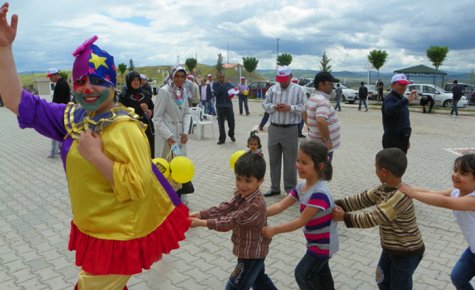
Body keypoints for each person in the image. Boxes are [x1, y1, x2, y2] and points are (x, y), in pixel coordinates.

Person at [0, 5, 190, 289]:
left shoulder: (126, 128)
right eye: (81, 81)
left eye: (97, 81)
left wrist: (95, 155)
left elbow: (137, 186)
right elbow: (16, 100)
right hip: (93, 229)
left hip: (118, 236)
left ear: (113, 85)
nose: (87, 88)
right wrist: (4, 50)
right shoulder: (73, 117)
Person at [333, 148, 425, 290]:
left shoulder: (399, 197)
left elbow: (373, 218)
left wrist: (344, 217)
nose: (374, 170)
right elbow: (362, 199)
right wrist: (336, 203)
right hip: (390, 248)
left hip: (406, 252)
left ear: (384, 172)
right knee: (382, 280)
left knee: (399, 286)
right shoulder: (384, 188)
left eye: (375, 167)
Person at [189, 152, 277, 290]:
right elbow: (225, 208)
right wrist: (201, 214)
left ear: (260, 181)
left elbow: (231, 221)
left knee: (234, 286)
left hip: (252, 255)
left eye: (248, 181)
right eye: (238, 179)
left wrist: (203, 223)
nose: (241, 185)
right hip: (247, 251)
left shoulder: (256, 204)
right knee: (260, 281)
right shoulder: (241, 194)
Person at [262, 140, 338, 290]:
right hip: (315, 243)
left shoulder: (319, 193)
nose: (298, 165)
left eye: (304, 162)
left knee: (302, 274)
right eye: (297, 160)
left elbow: (300, 221)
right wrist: (259, 213)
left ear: (320, 166)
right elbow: (280, 205)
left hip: (323, 245)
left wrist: (274, 230)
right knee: (322, 274)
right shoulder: (302, 186)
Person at [399, 154, 475, 290]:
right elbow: (432, 193)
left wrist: (413, 194)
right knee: (458, 277)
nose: (456, 175)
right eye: (455, 170)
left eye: (463, 173)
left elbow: (445, 202)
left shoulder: (472, 200)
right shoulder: (457, 191)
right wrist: (402, 187)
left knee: (458, 277)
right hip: (473, 250)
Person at [262, 66, 306, 197]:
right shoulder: (272, 89)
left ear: (291, 77)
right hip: (274, 128)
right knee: (273, 159)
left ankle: (290, 189)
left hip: (290, 129)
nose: (282, 82)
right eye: (280, 79)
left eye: (284, 79)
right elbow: (264, 104)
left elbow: (304, 107)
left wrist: (290, 108)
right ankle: (274, 187)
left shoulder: (299, 90)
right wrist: (273, 106)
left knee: (291, 160)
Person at [153, 66, 192, 159]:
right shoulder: (164, 91)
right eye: (177, 76)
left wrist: (185, 132)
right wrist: (168, 136)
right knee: (165, 167)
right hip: (166, 137)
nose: (180, 79)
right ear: (172, 76)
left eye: (183, 76)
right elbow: (157, 118)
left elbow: (186, 113)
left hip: (180, 135)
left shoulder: (183, 91)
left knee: (178, 164)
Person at [304, 71, 341, 161]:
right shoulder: (322, 100)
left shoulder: (313, 97)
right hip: (322, 146)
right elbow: (321, 120)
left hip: (315, 143)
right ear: (321, 84)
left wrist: (312, 129)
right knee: (323, 172)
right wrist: (327, 141)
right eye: (330, 84)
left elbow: (303, 112)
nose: (332, 87)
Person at [118, 71, 155, 157]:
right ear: (129, 81)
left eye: (138, 80)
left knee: (149, 153)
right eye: (133, 80)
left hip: (147, 128)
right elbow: (120, 112)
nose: (136, 82)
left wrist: (148, 112)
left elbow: (151, 110)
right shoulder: (124, 95)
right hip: (131, 129)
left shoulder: (145, 94)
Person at [381, 73, 417, 154]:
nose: (403, 87)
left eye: (405, 85)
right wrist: (406, 100)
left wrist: (406, 140)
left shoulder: (401, 99)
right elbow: (390, 110)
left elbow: (403, 121)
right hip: (393, 141)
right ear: (392, 85)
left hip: (402, 140)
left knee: (400, 165)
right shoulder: (390, 98)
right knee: (392, 165)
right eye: (401, 84)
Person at [46, 67, 71, 158]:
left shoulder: (61, 84)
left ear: (55, 75)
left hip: (59, 111)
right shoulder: (62, 82)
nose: (50, 79)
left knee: (55, 130)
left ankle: (53, 152)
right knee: (61, 131)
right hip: (62, 110)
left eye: (50, 76)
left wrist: (51, 109)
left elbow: (59, 100)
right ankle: (61, 149)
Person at [213, 72, 236, 145]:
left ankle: (231, 134)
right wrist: (223, 86)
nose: (222, 78)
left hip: (228, 105)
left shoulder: (228, 84)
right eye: (220, 77)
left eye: (223, 77)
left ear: (224, 77)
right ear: (218, 78)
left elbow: (233, 89)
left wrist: (236, 90)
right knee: (221, 123)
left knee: (232, 121)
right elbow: (216, 93)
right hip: (220, 106)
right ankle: (222, 138)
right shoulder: (215, 84)